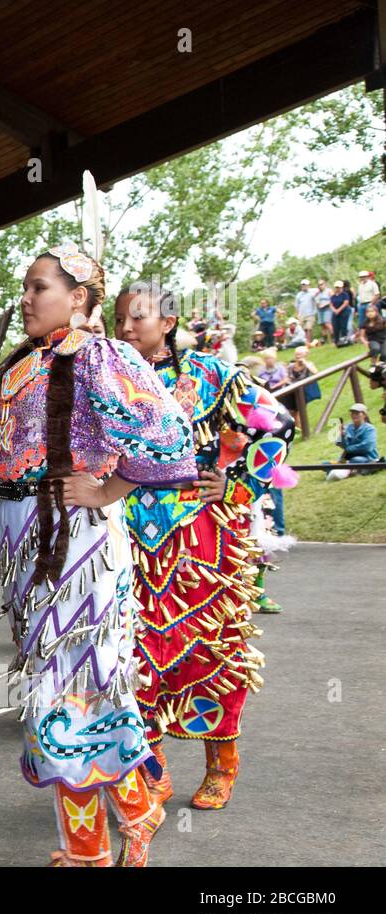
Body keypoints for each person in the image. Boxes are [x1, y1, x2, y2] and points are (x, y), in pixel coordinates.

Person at [0, 244, 197, 866]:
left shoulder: (101, 356)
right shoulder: (21, 364)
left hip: (80, 544)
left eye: (39, 287)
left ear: (80, 297)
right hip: (28, 553)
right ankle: (137, 807)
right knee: (62, 684)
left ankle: (85, 848)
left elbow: (170, 442)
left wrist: (108, 487)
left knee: (72, 690)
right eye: (25, 287)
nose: (26, 299)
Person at [114, 282, 294, 812]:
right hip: (128, 536)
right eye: (120, 319)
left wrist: (239, 484)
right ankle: (152, 769)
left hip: (202, 536)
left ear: (168, 322)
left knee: (209, 647)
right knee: (136, 651)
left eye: (137, 317)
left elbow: (277, 424)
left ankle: (222, 763)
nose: (126, 328)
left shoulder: (212, 373)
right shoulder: (111, 378)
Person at [280, 346, 319, 414]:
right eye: (296, 354)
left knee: (301, 411)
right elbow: (287, 377)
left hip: (302, 392)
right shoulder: (291, 366)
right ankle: (297, 424)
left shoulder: (308, 364)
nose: (297, 356)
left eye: (300, 354)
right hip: (291, 391)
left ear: (306, 355)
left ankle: (302, 424)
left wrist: (305, 362)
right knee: (292, 412)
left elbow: (315, 372)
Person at [330, 280, 354, 346]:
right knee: (335, 326)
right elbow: (331, 304)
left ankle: (345, 339)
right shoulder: (333, 296)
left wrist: (339, 310)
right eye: (336, 287)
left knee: (344, 326)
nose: (338, 289)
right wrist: (335, 310)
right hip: (335, 313)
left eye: (339, 287)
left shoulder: (344, 294)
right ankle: (336, 341)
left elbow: (346, 303)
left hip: (344, 311)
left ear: (342, 287)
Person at [294, 279, 317, 344]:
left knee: (309, 328)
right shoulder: (299, 295)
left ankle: (308, 342)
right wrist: (297, 314)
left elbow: (318, 292)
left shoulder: (312, 292)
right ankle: (309, 341)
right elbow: (296, 305)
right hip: (301, 314)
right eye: (303, 285)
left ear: (308, 285)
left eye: (306, 285)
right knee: (304, 329)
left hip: (310, 313)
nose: (304, 286)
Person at [314, 279, 332, 345]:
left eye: (321, 284)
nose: (320, 286)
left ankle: (333, 338)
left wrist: (325, 304)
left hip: (327, 309)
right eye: (319, 285)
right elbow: (315, 300)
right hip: (320, 310)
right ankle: (325, 340)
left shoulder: (329, 291)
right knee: (322, 325)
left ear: (325, 284)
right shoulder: (318, 293)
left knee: (327, 323)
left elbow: (332, 300)